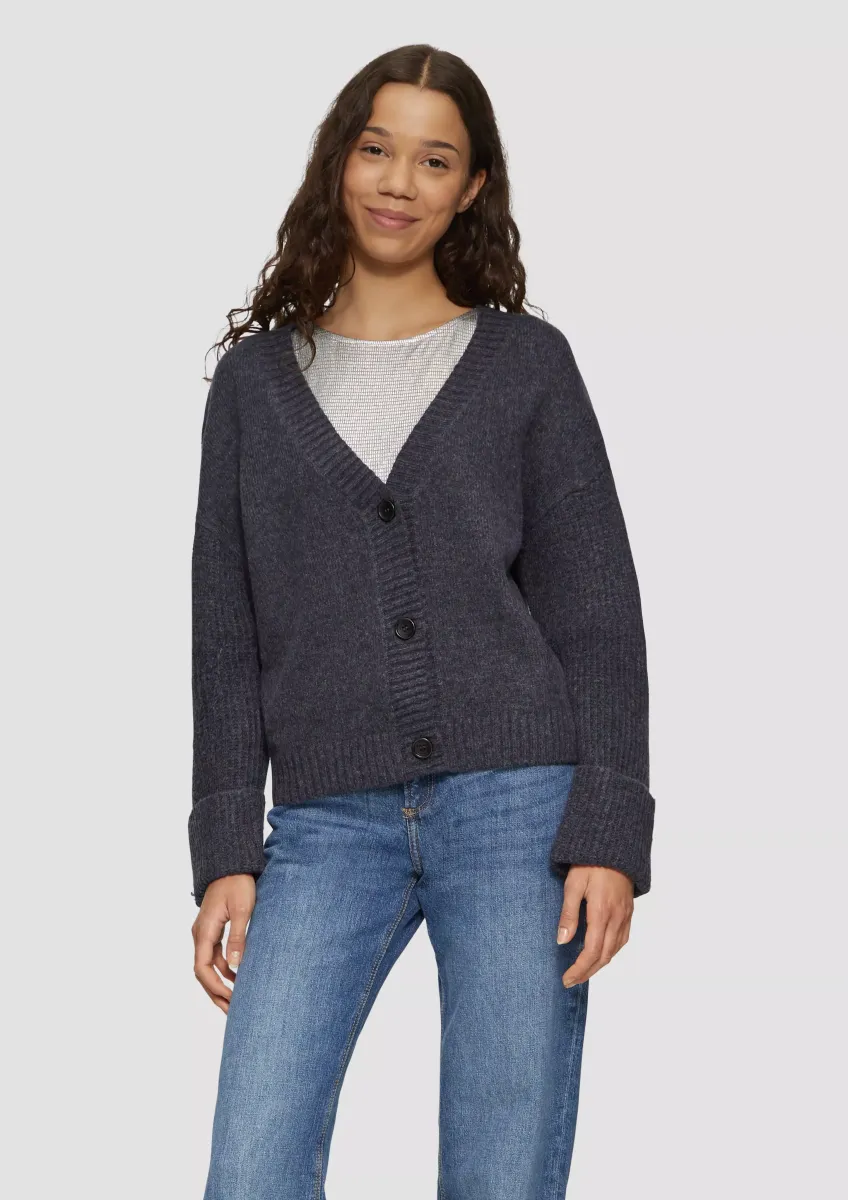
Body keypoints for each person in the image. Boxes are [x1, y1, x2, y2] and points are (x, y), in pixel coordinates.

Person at [189, 43, 656, 1200]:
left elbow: (595, 610)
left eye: (433, 159)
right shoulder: (254, 384)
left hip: (517, 811)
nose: (398, 181)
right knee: (250, 1169)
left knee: (499, 1173)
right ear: (337, 163)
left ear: (470, 187)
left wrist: (606, 827)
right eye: (376, 148)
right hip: (324, 824)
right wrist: (226, 849)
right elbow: (224, 628)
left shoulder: (525, 366)